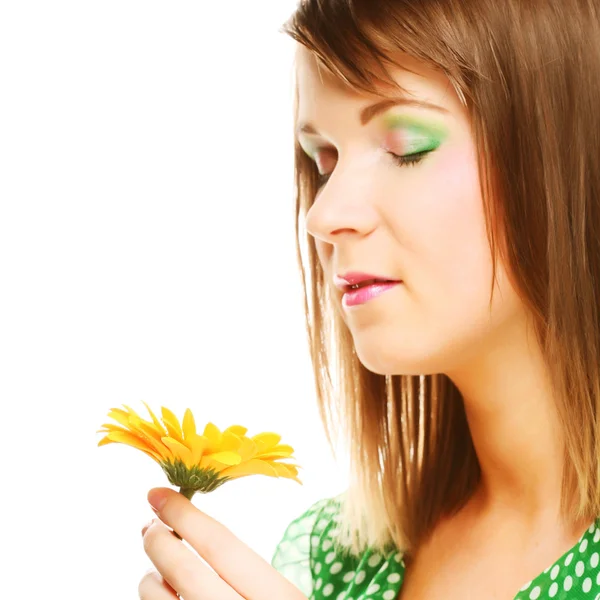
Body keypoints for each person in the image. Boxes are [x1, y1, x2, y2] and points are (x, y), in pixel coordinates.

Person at [269, 0, 600, 598]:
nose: (323, 215)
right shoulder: (334, 561)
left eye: (406, 147)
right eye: (324, 162)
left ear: (564, 158)